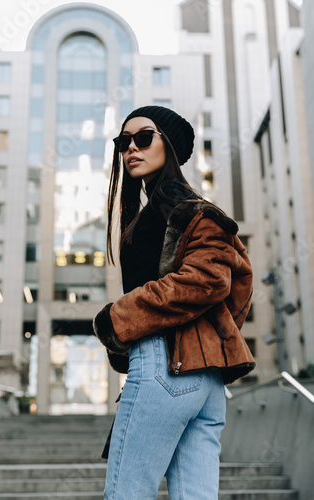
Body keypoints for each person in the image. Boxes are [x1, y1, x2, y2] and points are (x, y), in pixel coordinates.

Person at [92, 105, 255, 499]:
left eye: (143, 137)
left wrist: (116, 318)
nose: (131, 147)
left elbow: (207, 281)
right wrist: (209, 338)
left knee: (126, 494)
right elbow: (236, 290)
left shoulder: (180, 209)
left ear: (169, 144)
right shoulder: (172, 210)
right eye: (123, 141)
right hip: (206, 380)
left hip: (164, 367)